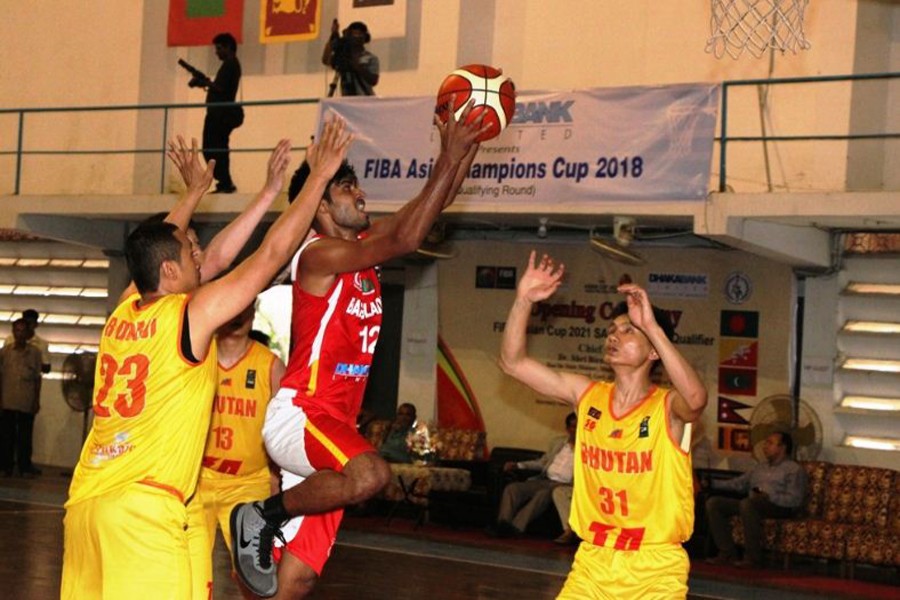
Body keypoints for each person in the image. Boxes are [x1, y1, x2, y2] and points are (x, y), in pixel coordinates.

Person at [59, 118, 351, 599]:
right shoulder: (186, 316)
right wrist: (315, 179)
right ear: (171, 270)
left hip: (87, 505)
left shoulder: (123, 311)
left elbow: (160, 250)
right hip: (144, 513)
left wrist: (195, 193)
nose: (204, 259)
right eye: (191, 253)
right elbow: (272, 252)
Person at [230, 100, 486, 599]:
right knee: (371, 474)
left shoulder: (362, 247)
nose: (360, 192)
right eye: (346, 187)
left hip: (334, 429)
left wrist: (463, 151)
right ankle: (259, 516)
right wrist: (445, 157)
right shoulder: (319, 256)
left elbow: (430, 209)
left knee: (294, 579)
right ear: (321, 207)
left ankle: (264, 527)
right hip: (302, 414)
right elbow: (410, 236)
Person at [498, 251, 708, 599]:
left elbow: (697, 399)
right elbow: (513, 363)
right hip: (593, 562)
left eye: (628, 331)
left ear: (653, 350)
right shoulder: (587, 395)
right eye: (611, 329)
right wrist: (523, 300)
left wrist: (652, 326)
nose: (613, 335)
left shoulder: (667, 406)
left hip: (654, 566)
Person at [187, 303, 286, 599]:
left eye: (245, 310)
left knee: (254, 575)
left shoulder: (270, 365)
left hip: (248, 482)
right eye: (233, 308)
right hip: (197, 479)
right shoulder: (198, 357)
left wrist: (276, 474)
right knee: (190, 567)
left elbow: (283, 429)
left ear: (253, 314)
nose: (238, 316)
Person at [705, 431, 807, 568]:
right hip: (752, 503)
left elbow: (795, 500)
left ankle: (753, 557)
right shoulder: (760, 467)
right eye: (766, 443)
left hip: (778, 507)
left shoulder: (794, 469)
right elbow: (738, 484)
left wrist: (769, 497)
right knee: (715, 503)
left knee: (748, 504)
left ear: (782, 447)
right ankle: (727, 552)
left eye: (770, 443)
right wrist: (711, 483)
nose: (765, 446)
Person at [488, 412, 576, 540]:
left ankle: (515, 528)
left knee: (542, 495)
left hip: (563, 485)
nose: (576, 430)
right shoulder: (558, 442)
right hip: (545, 479)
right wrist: (519, 465)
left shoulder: (587, 447)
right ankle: (503, 524)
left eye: (579, 426)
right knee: (512, 489)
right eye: (573, 427)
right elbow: (542, 462)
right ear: (567, 429)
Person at [189, 32, 242, 193]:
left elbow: (221, 88)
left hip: (220, 115)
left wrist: (203, 82)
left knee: (214, 148)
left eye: (219, 48)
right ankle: (224, 182)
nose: (216, 52)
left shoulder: (230, 64)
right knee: (214, 148)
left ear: (228, 47)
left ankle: (225, 182)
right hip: (218, 114)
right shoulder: (230, 64)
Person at [0, 318, 44, 478]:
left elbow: (38, 378)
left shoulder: (35, 353)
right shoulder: (5, 352)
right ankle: (6, 466)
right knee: (6, 436)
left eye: (22, 331)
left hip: (26, 400)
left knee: (25, 436)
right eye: (16, 330)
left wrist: (36, 400)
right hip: (7, 400)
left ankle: (25, 466)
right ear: (13, 332)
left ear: (28, 333)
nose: (19, 334)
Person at [321, 19, 379, 97]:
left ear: (365, 37)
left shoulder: (371, 58)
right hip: (346, 101)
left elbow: (373, 80)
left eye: (360, 34)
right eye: (354, 34)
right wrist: (333, 36)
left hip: (365, 99)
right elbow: (326, 60)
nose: (357, 37)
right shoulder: (343, 56)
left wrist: (357, 66)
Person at [4, 309, 51, 374]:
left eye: (30, 323)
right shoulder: (10, 340)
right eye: (25, 323)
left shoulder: (42, 344)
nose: (28, 326)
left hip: (30, 380)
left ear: (36, 325)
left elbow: (46, 368)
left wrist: (31, 362)